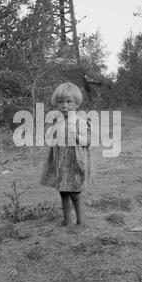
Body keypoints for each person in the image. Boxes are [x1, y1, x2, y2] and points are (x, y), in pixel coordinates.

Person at [40, 82, 93, 229]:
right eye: (60, 102)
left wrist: (74, 135)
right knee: (63, 193)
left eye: (69, 102)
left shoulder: (81, 123)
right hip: (61, 164)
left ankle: (81, 224)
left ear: (77, 104)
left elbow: (88, 141)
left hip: (75, 163)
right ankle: (67, 221)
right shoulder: (57, 122)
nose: (64, 105)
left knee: (75, 194)